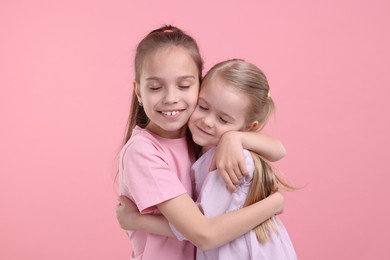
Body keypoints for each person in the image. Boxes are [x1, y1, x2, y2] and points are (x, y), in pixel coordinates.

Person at [117, 25, 286, 260]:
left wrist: (234, 136)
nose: (171, 98)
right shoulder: (142, 151)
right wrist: (275, 204)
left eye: (184, 86)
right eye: (155, 87)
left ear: (200, 84)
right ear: (138, 92)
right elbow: (203, 233)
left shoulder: (197, 136)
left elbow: (279, 149)